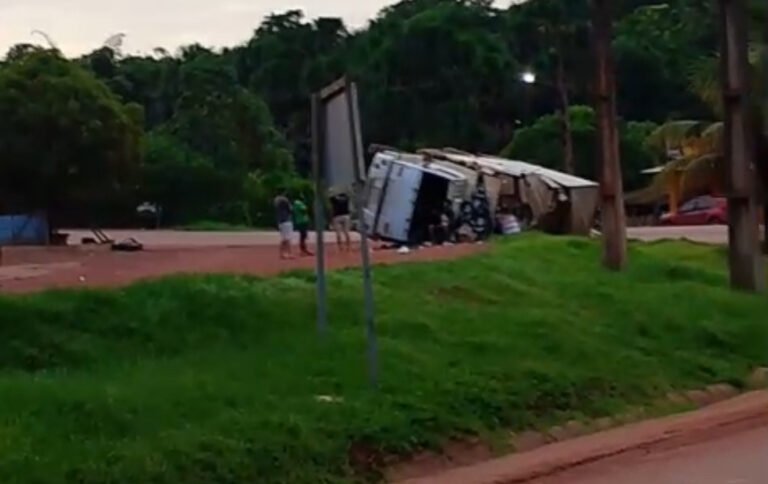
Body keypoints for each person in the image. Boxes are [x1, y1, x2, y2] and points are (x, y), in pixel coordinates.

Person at [274, 191, 294, 259]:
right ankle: (288, 253)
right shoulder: (284, 200)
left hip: (281, 221)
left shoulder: (277, 200)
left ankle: (283, 253)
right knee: (287, 238)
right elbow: (290, 209)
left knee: (285, 238)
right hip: (286, 220)